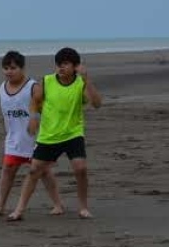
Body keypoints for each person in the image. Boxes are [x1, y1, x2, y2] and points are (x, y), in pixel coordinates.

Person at [8, 47, 103, 221]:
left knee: (80, 168)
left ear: (75, 66)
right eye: (58, 64)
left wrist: (87, 80)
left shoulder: (80, 83)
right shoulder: (47, 81)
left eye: (65, 64)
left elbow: (97, 104)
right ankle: (19, 210)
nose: (61, 67)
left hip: (73, 133)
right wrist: (33, 117)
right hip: (49, 135)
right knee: (34, 170)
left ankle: (83, 208)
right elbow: (35, 101)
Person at [0, 51, 63, 216]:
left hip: (36, 138)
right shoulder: (2, 87)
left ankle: (57, 204)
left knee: (43, 172)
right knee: (8, 169)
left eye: (13, 68)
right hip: (14, 137)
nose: (9, 71)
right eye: (6, 68)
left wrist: (36, 118)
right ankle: (0, 206)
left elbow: (45, 109)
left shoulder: (33, 87)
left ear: (22, 68)